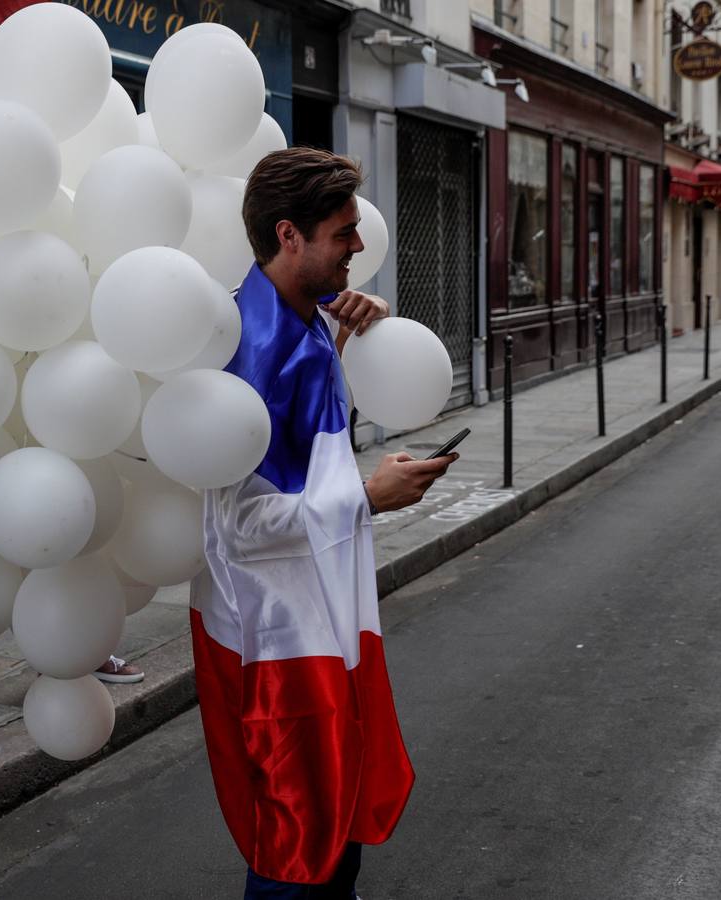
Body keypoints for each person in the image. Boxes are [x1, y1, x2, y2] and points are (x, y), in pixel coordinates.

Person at [189, 147, 458, 898]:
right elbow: (238, 524)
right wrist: (368, 497)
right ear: (289, 236)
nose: (360, 246)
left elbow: (304, 449)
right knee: (297, 845)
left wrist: (343, 339)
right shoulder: (253, 348)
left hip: (315, 613)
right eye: (343, 234)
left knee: (332, 825)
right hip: (275, 638)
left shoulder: (301, 319)